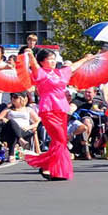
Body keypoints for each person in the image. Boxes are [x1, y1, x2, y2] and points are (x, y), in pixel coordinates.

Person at [23, 48, 97, 181]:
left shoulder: (59, 73)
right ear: (42, 62)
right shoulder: (40, 73)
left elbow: (72, 67)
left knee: (60, 140)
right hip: (48, 110)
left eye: (53, 59)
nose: (52, 61)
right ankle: (49, 166)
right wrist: (31, 55)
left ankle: (50, 167)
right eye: (49, 59)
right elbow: (34, 65)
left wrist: (86, 59)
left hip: (62, 110)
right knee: (60, 139)